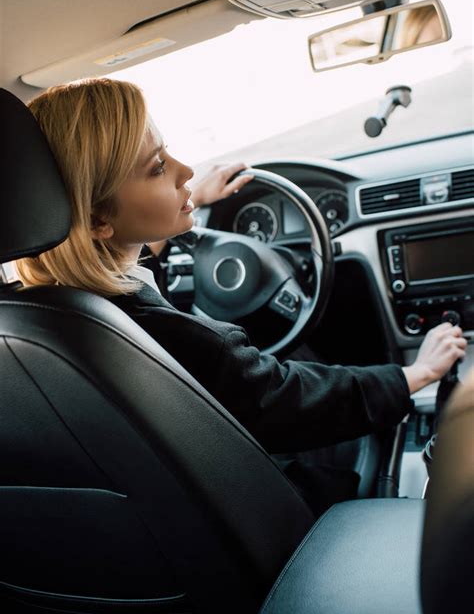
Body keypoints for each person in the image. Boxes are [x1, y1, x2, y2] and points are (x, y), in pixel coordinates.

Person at [16, 78, 467, 515]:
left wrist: (188, 209)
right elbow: (284, 398)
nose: (187, 171)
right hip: (272, 513)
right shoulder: (176, 337)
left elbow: (124, 260)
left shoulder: (41, 313)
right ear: (97, 221)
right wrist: (414, 374)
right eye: (158, 167)